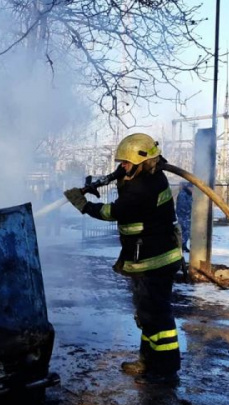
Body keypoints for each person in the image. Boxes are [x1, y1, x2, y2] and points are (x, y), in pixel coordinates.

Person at [63, 133, 183, 386]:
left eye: (126, 163)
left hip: (155, 260)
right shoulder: (142, 176)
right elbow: (124, 180)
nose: (122, 167)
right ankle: (148, 361)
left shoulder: (146, 186)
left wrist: (84, 204)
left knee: (157, 315)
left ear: (142, 161)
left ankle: (165, 369)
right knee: (146, 313)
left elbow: (114, 211)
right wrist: (102, 182)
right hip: (145, 257)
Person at [175, 181, 193, 252]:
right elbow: (183, 206)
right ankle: (181, 246)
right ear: (190, 187)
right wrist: (191, 209)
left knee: (187, 232)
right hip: (183, 216)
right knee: (185, 231)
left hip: (187, 216)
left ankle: (184, 245)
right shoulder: (183, 194)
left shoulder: (189, 194)